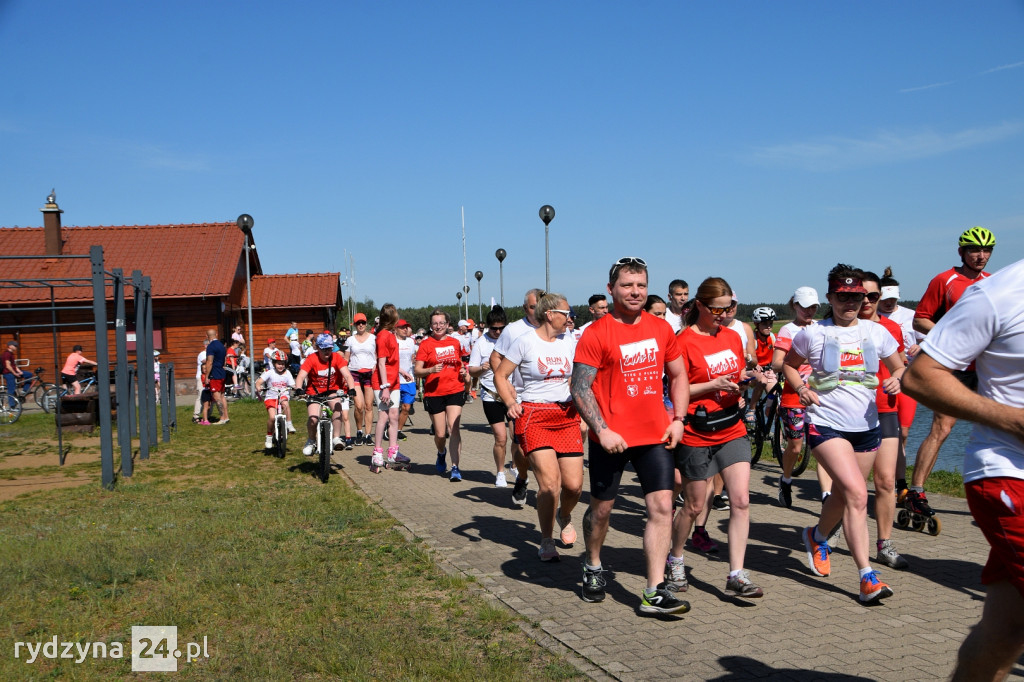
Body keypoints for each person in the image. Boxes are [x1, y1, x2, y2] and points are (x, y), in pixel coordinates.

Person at [901, 256, 1024, 682]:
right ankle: (915, 487)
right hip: (1009, 470)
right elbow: (919, 376)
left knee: (1004, 632)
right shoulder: (997, 293)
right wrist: (1012, 420)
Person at [572, 256, 691, 615]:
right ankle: (593, 563)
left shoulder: (660, 328)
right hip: (611, 438)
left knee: (661, 507)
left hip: (654, 435)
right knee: (602, 511)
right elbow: (580, 388)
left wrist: (679, 419)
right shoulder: (597, 332)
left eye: (641, 285)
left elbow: (679, 376)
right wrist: (602, 430)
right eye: (627, 285)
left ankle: (654, 591)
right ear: (612, 289)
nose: (635, 291)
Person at [782, 264, 904, 604]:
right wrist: (800, 389)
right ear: (831, 297)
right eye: (842, 296)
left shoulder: (876, 333)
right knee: (857, 495)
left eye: (856, 296)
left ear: (864, 297)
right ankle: (867, 577)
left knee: (844, 495)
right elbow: (789, 365)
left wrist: (898, 379)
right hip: (825, 422)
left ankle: (817, 536)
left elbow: (900, 366)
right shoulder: (813, 333)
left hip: (866, 426)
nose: (849, 302)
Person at [670, 277, 763, 598]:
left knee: (741, 500)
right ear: (699, 305)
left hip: (732, 427)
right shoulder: (682, 341)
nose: (724, 315)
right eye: (717, 310)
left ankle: (736, 573)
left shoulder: (732, 337)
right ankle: (675, 558)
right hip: (697, 430)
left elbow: (735, 374)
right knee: (694, 506)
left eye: (729, 309)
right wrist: (713, 386)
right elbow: (677, 389)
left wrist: (750, 378)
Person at [907, 226, 996, 520]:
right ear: (962, 252)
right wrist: (952, 338)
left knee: (999, 426)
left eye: (986, 251)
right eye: (974, 250)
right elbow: (920, 320)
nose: (981, 256)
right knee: (943, 427)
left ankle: (997, 489)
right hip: (952, 365)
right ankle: (916, 492)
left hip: (983, 366)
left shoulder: (992, 283)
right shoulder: (945, 280)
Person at [495, 293, 583, 562]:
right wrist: (510, 401)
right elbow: (500, 374)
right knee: (549, 485)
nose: (569, 318)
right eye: (566, 313)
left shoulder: (569, 342)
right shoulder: (525, 341)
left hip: (567, 415)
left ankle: (564, 515)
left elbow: (579, 377)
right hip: (535, 414)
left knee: (574, 486)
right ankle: (546, 539)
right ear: (550, 314)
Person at [859, 271, 910, 570]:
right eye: (860, 296)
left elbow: (900, 365)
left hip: (885, 408)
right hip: (853, 414)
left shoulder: (891, 328)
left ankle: (884, 545)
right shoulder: (842, 328)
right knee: (851, 483)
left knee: (886, 481)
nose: (866, 301)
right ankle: (831, 527)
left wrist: (896, 378)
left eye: (873, 296)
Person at [772, 287, 831, 508]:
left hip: (819, 395)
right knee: (795, 447)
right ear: (795, 305)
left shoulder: (821, 329)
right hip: (794, 395)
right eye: (804, 307)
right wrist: (800, 359)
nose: (809, 311)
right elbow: (777, 363)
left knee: (824, 446)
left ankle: (826, 494)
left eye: (813, 307)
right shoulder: (788, 330)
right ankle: (786, 479)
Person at [490, 289, 544, 505]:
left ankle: (549, 491)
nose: (538, 311)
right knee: (522, 446)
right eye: (533, 307)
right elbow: (496, 357)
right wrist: (506, 386)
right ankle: (522, 476)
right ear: (525, 308)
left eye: (542, 307)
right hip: (522, 398)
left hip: (553, 400)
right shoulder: (513, 330)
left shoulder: (557, 328)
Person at [878, 266, 921, 499]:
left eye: (893, 299)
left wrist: (920, 346)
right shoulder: (873, 318)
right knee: (886, 432)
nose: (889, 303)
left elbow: (928, 340)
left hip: (907, 378)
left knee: (903, 432)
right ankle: (887, 479)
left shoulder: (909, 315)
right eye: (885, 299)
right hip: (881, 381)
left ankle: (899, 482)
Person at [415, 309, 469, 481]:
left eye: (442, 323)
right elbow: (417, 370)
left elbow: (460, 364)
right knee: (440, 434)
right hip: (434, 392)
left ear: (447, 324)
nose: (438, 326)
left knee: (453, 429)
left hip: (454, 389)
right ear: (431, 326)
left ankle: (455, 467)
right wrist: (430, 370)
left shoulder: (455, 343)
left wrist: (462, 371)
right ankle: (441, 452)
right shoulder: (426, 344)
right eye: (435, 323)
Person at [469, 306, 513, 487]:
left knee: (517, 436)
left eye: (501, 328)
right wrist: (481, 368)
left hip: (512, 394)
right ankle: (500, 472)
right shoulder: (481, 343)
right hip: (491, 394)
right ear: (488, 327)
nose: (497, 332)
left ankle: (516, 466)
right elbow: (471, 371)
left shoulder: (513, 340)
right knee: (500, 437)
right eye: (494, 328)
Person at [295, 333, 354, 457]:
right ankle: (311, 440)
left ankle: (336, 438)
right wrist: (299, 389)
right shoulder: (311, 358)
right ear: (318, 348)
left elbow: (347, 375)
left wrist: (352, 389)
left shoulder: (337, 358)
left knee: (338, 410)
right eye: (324, 349)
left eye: (329, 348)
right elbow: (301, 375)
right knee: (313, 418)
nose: (327, 351)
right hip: (314, 392)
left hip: (332, 390)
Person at [371, 304, 411, 471]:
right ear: (392, 318)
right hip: (383, 382)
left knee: (394, 416)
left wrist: (401, 371)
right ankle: (377, 452)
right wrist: (385, 387)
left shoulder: (390, 335)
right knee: (384, 417)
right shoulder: (382, 336)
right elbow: (381, 363)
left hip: (394, 379)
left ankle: (393, 452)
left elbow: (391, 360)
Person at [345, 312, 377, 446]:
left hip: (370, 373)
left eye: (363, 322)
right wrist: (343, 373)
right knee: (359, 406)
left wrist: (376, 366)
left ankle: (368, 434)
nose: (361, 325)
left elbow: (378, 355)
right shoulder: (350, 340)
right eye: (358, 323)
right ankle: (359, 431)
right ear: (355, 325)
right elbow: (346, 358)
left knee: (369, 406)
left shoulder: (373, 338)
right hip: (355, 373)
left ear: (366, 323)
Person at [255, 349, 296, 449]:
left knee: (285, 404)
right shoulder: (270, 372)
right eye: (278, 364)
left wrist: (297, 388)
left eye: (283, 364)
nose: (281, 366)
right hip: (271, 397)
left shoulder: (287, 373)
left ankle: (289, 424)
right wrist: (258, 386)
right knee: (272, 418)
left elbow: (293, 384)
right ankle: (269, 436)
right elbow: (259, 382)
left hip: (283, 395)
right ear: (273, 363)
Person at [201, 330, 230, 425]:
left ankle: (222, 418)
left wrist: (207, 376)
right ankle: (226, 416)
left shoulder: (211, 346)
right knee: (222, 396)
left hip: (215, 373)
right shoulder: (221, 345)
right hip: (222, 372)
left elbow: (209, 362)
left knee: (216, 396)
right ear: (216, 334)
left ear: (206, 336)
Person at [395, 319, 417, 441]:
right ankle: (391, 428)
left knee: (406, 407)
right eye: (402, 327)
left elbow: (412, 358)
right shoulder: (393, 341)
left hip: (409, 379)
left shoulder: (410, 341)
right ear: (396, 329)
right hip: (395, 379)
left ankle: (398, 429)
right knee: (394, 408)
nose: (405, 329)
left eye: (406, 327)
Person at [193, 338, 209, 423]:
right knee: (201, 395)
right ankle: (196, 415)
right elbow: (205, 361)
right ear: (205, 345)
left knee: (209, 396)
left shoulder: (210, 354)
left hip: (209, 377)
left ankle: (207, 416)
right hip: (201, 377)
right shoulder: (203, 354)